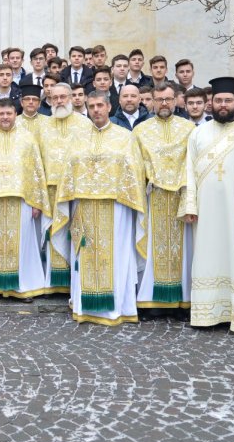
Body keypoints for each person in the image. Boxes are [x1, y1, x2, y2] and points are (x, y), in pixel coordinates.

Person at [182, 77, 234, 335]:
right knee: (207, 257)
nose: (222, 105)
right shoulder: (198, 133)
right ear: (211, 103)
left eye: (228, 100)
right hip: (206, 212)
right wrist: (190, 205)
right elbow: (188, 170)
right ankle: (206, 313)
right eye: (218, 100)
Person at [52, 91, 146, 326]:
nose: (96, 110)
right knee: (84, 255)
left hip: (116, 208)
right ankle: (84, 307)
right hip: (83, 206)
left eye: (99, 106)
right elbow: (68, 171)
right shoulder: (78, 138)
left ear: (109, 107)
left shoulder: (125, 137)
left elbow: (135, 172)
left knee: (116, 256)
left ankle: (117, 308)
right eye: (91, 106)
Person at [0, 100, 51, 301]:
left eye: (8, 113)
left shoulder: (27, 138)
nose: (5, 117)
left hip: (22, 199)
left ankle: (22, 287)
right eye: (1, 114)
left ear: (15, 114)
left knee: (23, 244)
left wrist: (36, 201)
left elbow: (36, 171)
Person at [133, 83, 196, 312]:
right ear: (151, 101)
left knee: (183, 251)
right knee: (153, 249)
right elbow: (135, 164)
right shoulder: (141, 130)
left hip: (181, 197)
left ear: (176, 100)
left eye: (168, 99)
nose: (164, 104)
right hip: (154, 196)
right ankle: (153, 300)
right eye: (159, 100)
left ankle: (182, 301)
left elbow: (193, 162)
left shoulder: (189, 129)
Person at [35, 83, 92, 293]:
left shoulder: (85, 124)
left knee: (76, 232)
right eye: (55, 97)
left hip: (76, 190)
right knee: (54, 233)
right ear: (50, 100)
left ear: (71, 98)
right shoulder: (43, 126)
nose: (59, 101)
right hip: (51, 189)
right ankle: (55, 282)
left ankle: (75, 283)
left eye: (63, 97)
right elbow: (37, 161)